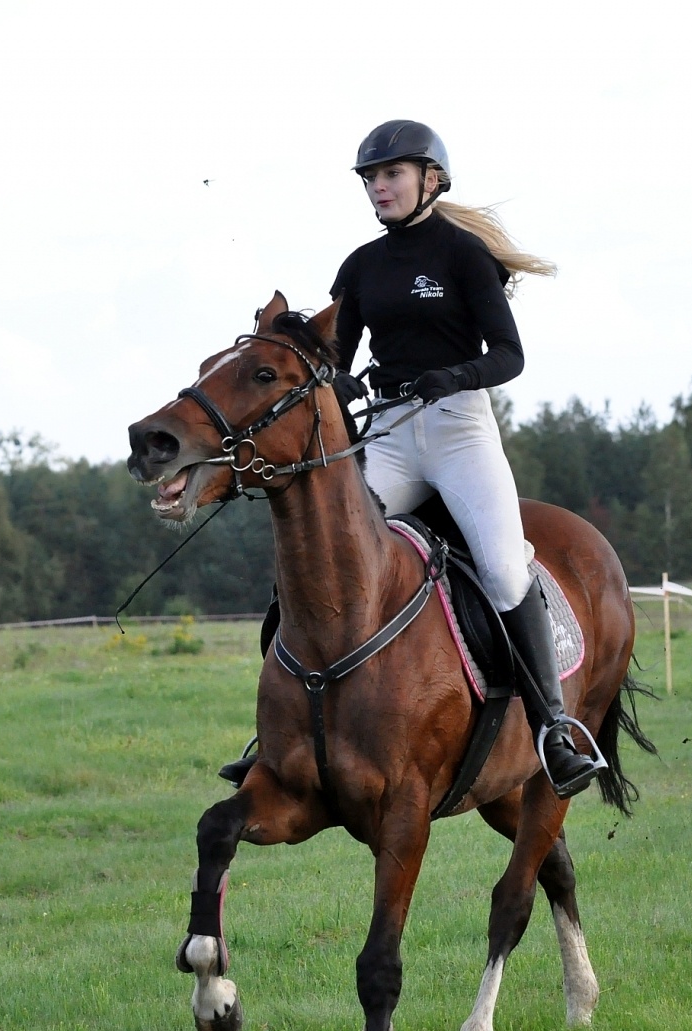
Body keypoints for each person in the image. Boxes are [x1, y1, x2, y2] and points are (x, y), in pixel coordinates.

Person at [220, 119, 600, 799]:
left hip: (459, 435)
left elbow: (508, 357)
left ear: (430, 178)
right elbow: (335, 360)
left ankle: (554, 729)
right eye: (370, 178)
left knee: (506, 570)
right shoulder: (361, 266)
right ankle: (277, 736)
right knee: (320, 561)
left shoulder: (463, 256)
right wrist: (343, 382)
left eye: (390, 174)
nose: (378, 187)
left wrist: (450, 377)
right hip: (391, 435)